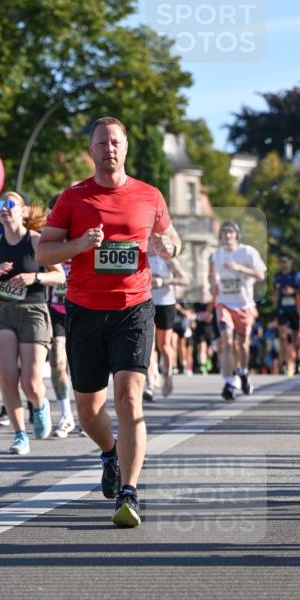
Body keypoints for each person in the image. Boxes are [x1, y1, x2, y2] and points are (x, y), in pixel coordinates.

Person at [36, 116, 181, 527]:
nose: (109, 149)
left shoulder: (150, 195)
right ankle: (110, 452)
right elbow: (43, 254)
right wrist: (80, 244)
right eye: (102, 143)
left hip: (134, 309)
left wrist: (168, 246)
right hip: (84, 310)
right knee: (88, 410)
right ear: (91, 150)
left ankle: (129, 492)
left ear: (126, 147)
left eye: (115, 142)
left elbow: (173, 239)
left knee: (129, 398)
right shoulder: (72, 198)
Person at [0, 191, 64, 455]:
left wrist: (34, 277)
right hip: (2, 311)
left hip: (32, 310)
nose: (4, 208)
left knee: (31, 382)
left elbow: (60, 276)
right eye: (0, 204)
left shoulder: (36, 241)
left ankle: (39, 405)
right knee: (6, 377)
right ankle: (19, 435)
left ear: (23, 211)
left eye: (10, 204)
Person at [209, 221, 266, 401]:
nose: (227, 235)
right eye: (224, 233)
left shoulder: (247, 252)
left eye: (230, 232)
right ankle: (228, 382)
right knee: (226, 343)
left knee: (242, 345)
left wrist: (239, 268)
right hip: (224, 304)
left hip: (243, 305)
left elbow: (261, 275)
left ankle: (243, 372)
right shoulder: (216, 254)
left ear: (236, 235)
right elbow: (212, 278)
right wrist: (212, 285)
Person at [46, 195, 75, 437]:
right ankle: (66, 415)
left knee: (82, 366)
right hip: (55, 310)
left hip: (82, 309)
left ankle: (89, 413)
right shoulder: (46, 240)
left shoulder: (82, 236)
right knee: (57, 362)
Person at [146, 243, 189, 400]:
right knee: (148, 345)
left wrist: (164, 282)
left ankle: (168, 376)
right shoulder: (141, 255)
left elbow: (184, 280)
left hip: (165, 303)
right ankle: (150, 382)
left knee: (164, 345)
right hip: (146, 303)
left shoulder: (167, 258)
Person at [273, 254, 300, 376]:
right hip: (282, 310)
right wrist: (275, 307)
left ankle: (297, 361)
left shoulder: (297, 276)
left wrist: (293, 291)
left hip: (294, 310)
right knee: (282, 336)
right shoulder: (277, 276)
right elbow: (275, 293)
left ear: (290, 262)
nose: (283, 264)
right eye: (281, 262)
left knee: (296, 339)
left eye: (285, 262)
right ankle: (284, 363)